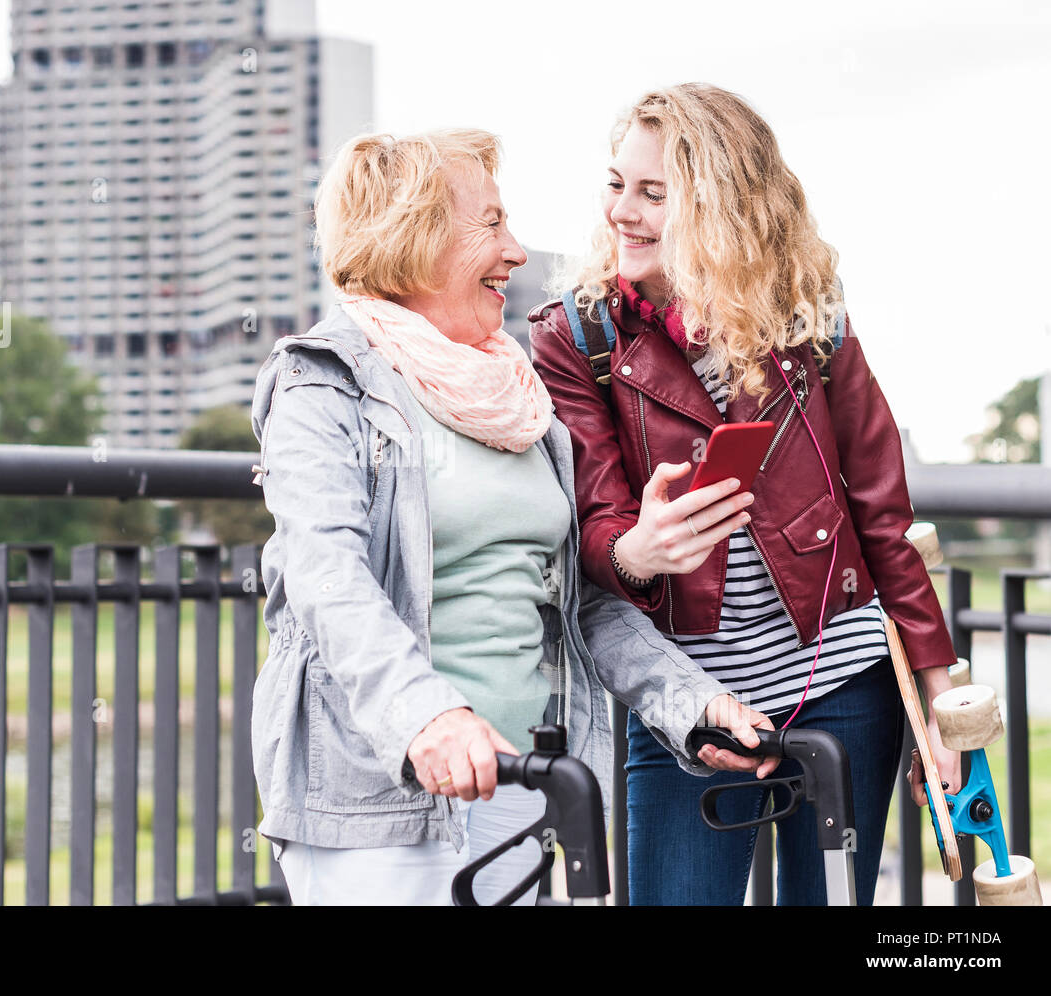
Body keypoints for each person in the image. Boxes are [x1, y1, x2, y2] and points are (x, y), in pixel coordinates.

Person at [250, 127, 775, 906]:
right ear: (414, 236)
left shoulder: (517, 394)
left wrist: (690, 703)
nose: (519, 252)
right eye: (492, 224)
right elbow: (327, 577)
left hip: (526, 784)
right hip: (381, 802)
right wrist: (428, 718)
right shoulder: (321, 382)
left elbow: (577, 603)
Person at [529, 83, 960, 905]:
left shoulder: (807, 320)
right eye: (617, 183)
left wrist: (941, 707)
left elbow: (883, 518)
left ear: (720, 207)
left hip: (843, 684)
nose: (623, 210)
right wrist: (637, 551)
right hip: (689, 703)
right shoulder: (575, 336)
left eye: (655, 194)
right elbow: (593, 525)